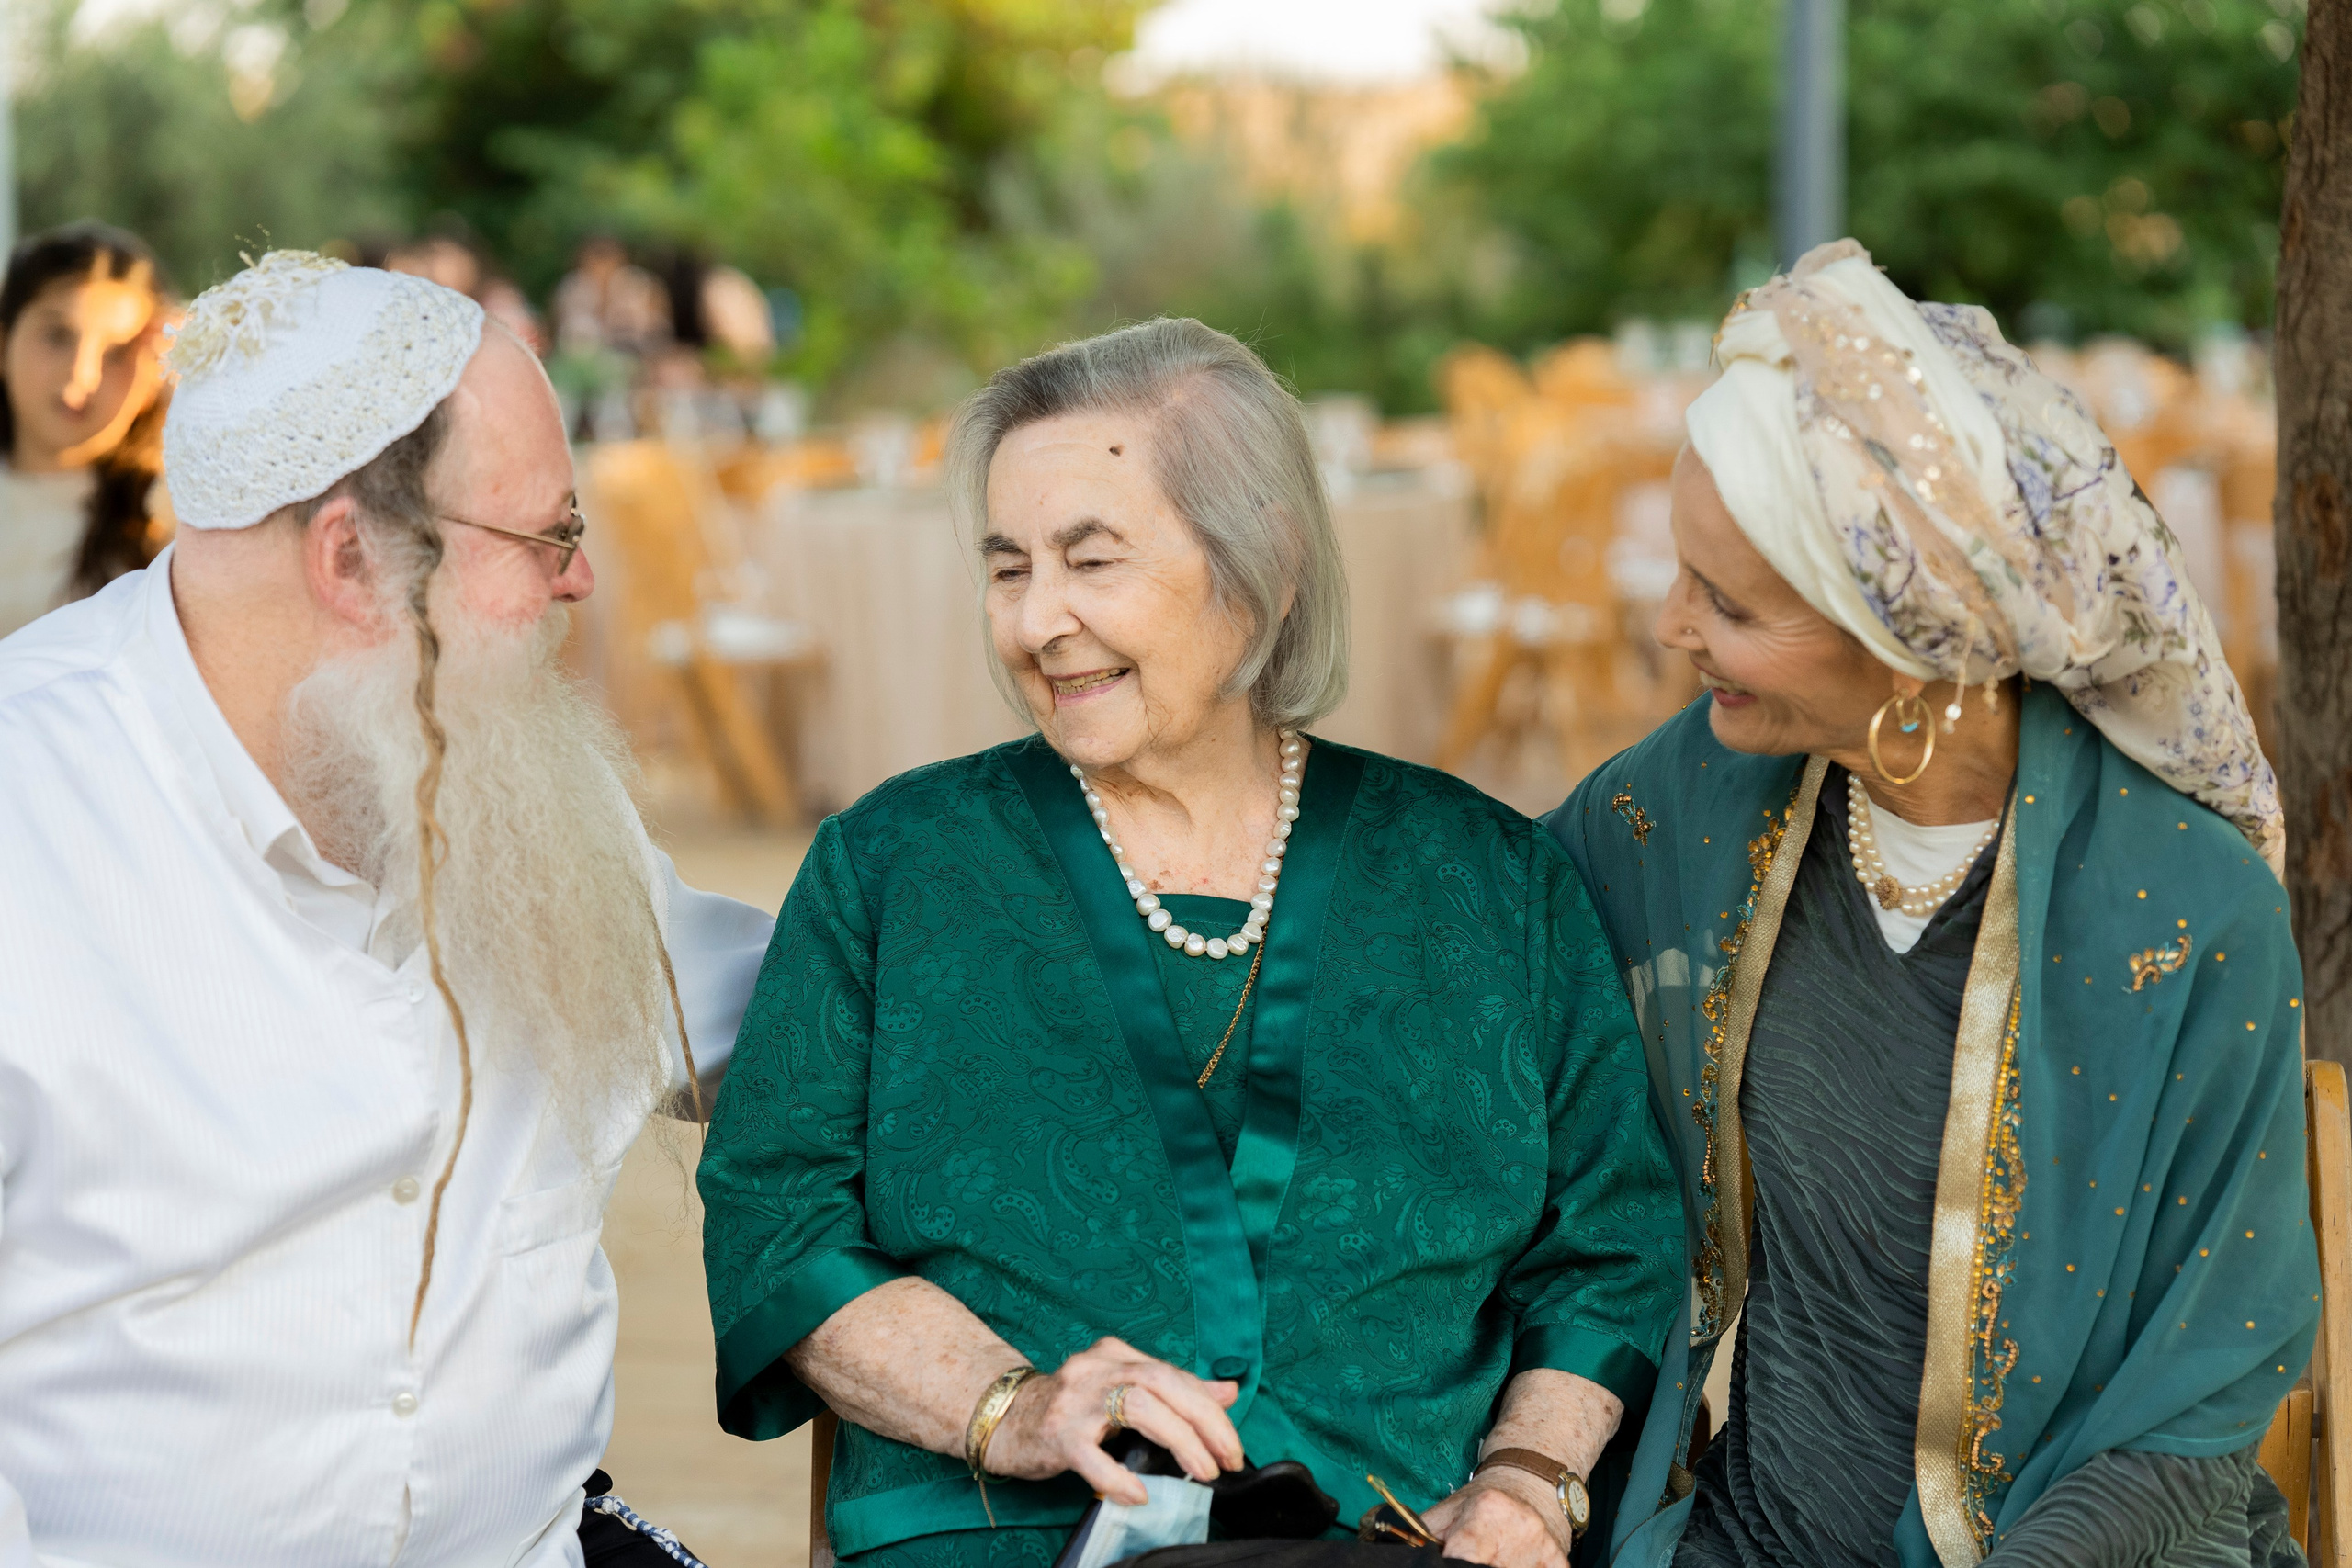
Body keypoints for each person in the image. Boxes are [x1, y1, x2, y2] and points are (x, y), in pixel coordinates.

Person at [695, 318, 1686, 1568]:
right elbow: (776, 1213)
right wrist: (1013, 1404)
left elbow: (1613, 1242)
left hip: (1389, 1533)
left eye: (1090, 560)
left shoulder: (1488, 877)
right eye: (1008, 568)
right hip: (1012, 1535)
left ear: (1260, 559)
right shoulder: (897, 863)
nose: (1036, 621)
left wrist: (1527, 1484)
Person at [0, 251, 775, 1566]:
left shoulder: (490, 772)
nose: (578, 582)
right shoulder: (31, 818)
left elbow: (758, 1008)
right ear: (353, 559)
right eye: (548, 536)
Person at [1550, 241, 2315, 1568]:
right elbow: (1470, 932)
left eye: (1725, 601)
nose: (1672, 626)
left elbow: (2198, 1404)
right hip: (1734, 1535)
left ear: (1907, 643)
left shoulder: (2188, 914)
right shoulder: (1684, 802)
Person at [0, 220, 173, 639]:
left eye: (117, 353)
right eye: (58, 336)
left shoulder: (172, 521)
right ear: (3, 342)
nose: (81, 377)